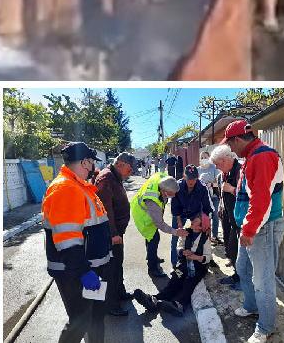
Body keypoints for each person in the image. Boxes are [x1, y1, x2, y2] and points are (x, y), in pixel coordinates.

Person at [41, 142, 111, 343]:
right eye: (91, 163)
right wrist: (83, 272)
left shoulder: (80, 186)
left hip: (91, 268)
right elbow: (68, 240)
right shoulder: (66, 189)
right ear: (84, 162)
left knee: (96, 316)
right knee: (80, 322)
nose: (93, 168)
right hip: (75, 272)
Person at [223, 120, 284, 343]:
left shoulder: (261, 156)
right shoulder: (252, 156)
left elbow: (261, 200)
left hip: (262, 228)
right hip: (253, 227)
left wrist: (249, 230)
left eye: (230, 144)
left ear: (237, 139)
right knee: (242, 267)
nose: (230, 149)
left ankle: (266, 327)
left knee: (263, 280)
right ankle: (252, 306)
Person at [132, 215, 212, 316]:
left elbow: (208, 257)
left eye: (196, 221)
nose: (192, 221)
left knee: (189, 281)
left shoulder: (205, 238)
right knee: (176, 277)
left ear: (201, 226)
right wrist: (183, 252)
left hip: (198, 266)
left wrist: (196, 257)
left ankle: (179, 304)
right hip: (184, 262)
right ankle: (156, 299)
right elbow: (179, 247)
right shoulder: (185, 232)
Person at [94, 153, 135, 317]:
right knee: (110, 270)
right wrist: (113, 234)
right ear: (120, 164)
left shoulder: (115, 176)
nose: (131, 172)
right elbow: (105, 211)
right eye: (130, 168)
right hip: (110, 236)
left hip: (117, 234)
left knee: (118, 266)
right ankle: (111, 305)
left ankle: (119, 293)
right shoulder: (106, 178)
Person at [129, 173, 189, 277]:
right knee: (153, 238)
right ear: (164, 191)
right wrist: (176, 232)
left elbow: (160, 174)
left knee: (152, 237)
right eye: (171, 193)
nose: (174, 196)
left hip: (145, 208)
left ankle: (151, 257)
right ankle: (152, 268)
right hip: (142, 215)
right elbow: (160, 224)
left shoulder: (163, 179)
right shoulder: (153, 201)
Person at [211, 144, 243, 289]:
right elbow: (222, 195)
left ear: (224, 160)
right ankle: (236, 270)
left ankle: (240, 278)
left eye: (218, 164)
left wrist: (231, 189)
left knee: (236, 248)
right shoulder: (224, 174)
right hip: (228, 215)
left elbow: (249, 195)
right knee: (230, 246)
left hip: (239, 218)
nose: (217, 167)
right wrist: (221, 206)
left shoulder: (240, 171)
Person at [171, 164, 213, 270]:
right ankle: (175, 263)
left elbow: (207, 208)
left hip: (195, 213)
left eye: (194, 179)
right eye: (189, 178)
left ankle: (202, 258)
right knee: (177, 235)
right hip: (180, 212)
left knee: (201, 233)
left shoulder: (202, 187)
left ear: (197, 177)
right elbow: (175, 207)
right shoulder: (178, 186)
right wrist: (179, 223)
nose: (191, 181)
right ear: (184, 176)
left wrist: (207, 224)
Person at [198, 155, 221, 243]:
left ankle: (214, 236)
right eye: (202, 157)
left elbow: (219, 182)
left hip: (214, 196)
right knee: (203, 216)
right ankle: (203, 236)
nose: (204, 159)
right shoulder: (197, 169)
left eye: (206, 157)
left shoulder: (214, 168)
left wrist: (210, 184)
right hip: (202, 197)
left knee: (215, 215)